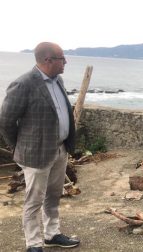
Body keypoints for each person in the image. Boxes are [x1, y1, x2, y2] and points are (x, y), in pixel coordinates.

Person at [0, 42, 80, 252]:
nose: (65, 62)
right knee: (34, 201)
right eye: (62, 58)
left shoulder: (58, 80)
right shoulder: (23, 84)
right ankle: (33, 244)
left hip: (60, 149)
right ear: (48, 60)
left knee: (53, 195)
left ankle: (52, 233)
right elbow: (6, 121)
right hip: (35, 154)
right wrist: (19, 147)